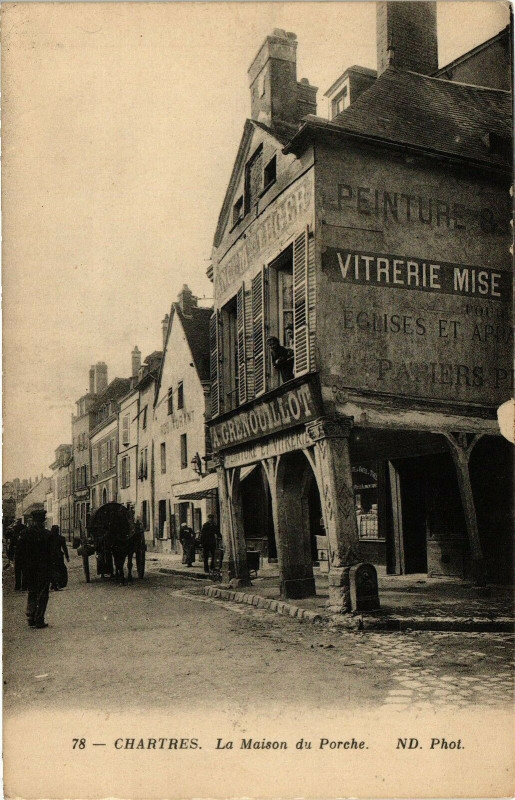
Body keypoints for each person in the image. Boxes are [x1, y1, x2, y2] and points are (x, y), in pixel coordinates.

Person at [16, 509, 53, 629]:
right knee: (43, 593)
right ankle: (39, 619)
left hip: (29, 568)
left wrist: (20, 568)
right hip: (43, 568)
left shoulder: (24, 533)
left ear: (32, 520)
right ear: (43, 520)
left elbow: (19, 554)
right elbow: (52, 554)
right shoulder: (47, 535)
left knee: (32, 591)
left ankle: (30, 616)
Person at [49, 525, 70, 590]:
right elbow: (64, 548)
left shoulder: (49, 538)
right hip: (58, 556)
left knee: (52, 570)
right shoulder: (61, 538)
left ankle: (53, 584)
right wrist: (67, 557)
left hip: (50, 556)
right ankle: (58, 584)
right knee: (61, 570)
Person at [11, 520, 28, 590]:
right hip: (25, 556)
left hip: (18, 555)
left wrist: (11, 555)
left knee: (18, 571)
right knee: (24, 571)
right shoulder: (26, 537)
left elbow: (11, 546)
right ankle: (24, 586)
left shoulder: (14, 537)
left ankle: (17, 586)